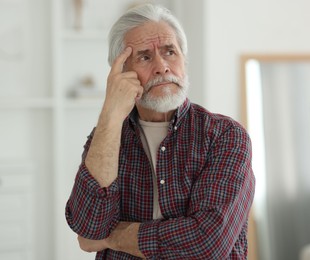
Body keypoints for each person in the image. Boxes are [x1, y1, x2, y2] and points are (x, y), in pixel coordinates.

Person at [65, 3, 255, 259]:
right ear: (121, 72)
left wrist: (111, 237)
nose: (162, 66)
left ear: (184, 60)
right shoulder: (106, 137)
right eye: (144, 56)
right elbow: (89, 225)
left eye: (170, 52)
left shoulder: (225, 135)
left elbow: (208, 243)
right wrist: (110, 115)